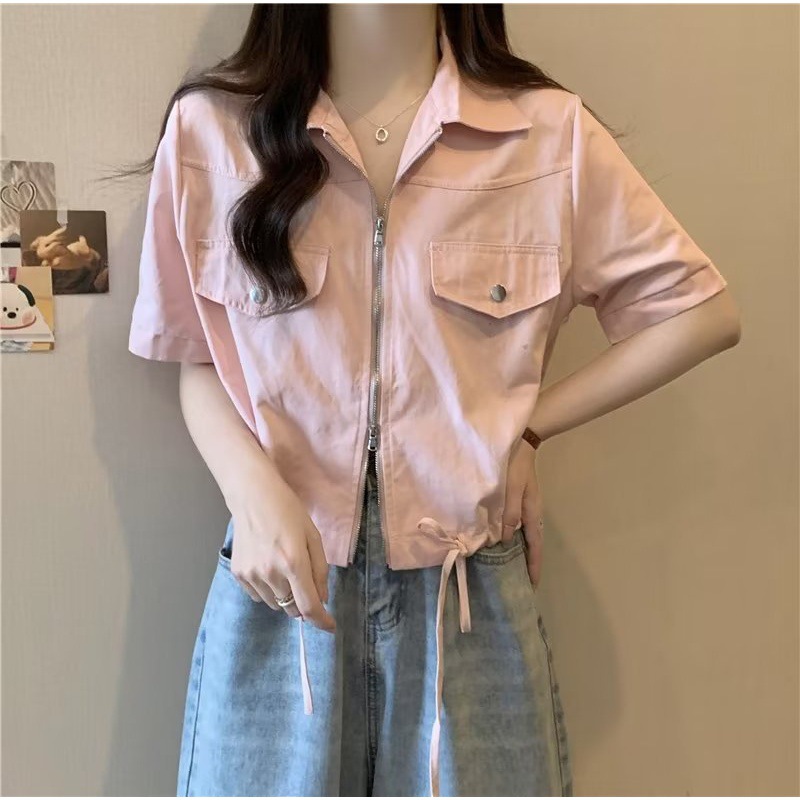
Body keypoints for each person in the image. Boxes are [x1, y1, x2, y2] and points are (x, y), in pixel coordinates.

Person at [125, 4, 741, 796]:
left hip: (469, 592)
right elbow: (195, 352)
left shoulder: (546, 136)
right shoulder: (212, 131)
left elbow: (699, 313)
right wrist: (251, 491)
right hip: (281, 587)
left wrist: (531, 431)